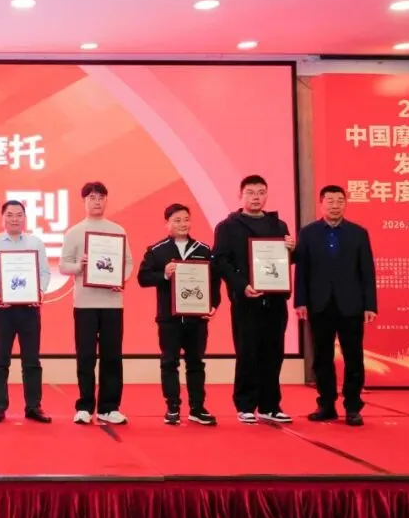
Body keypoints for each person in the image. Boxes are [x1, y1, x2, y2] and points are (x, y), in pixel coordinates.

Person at [212, 174, 296, 425]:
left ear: (267, 195)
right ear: (241, 195)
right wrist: (242, 286)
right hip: (246, 300)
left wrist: (292, 249)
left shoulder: (278, 225)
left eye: (261, 192)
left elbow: (285, 262)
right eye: (250, 192)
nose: (256, 197)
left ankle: (270, 405)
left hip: (275, 299)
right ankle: (245, 405)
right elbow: (220, 261)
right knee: (247, 352)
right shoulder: (228, 226)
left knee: (274, 353)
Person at [294, 185, 376, 427]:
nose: (335, 205)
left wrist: (370, 304)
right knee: (322, 358)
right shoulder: (308, 233)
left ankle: (353, 407)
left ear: (345, 204)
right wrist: (300, 301)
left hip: (351, 305)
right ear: (321, 204)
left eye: (340, 201)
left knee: (353, 358)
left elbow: (367, 271)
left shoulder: (358, 233)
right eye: (330, 201)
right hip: (319, 304)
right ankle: (326, 405)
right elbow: (302, 271)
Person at [137, 203, 220, 426]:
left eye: (186, 219)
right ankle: (172, 407)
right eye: (177, 220)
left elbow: (214, 281)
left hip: (197, 319)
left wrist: (213, 304)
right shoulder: (157, 250)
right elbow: (143, 278)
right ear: (167, 224)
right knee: (169, 362)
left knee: (196, 363)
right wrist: (164, 274)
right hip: (169, 319)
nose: (183, 224)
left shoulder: (203, 249)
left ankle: (197, 408)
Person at [60, 181, 134, 425]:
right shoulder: (74, 232)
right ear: (84, 201)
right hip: (85, 303)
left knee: (112, 355)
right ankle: (84, 406)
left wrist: (121, 279)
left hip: (112, 302)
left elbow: (128, 262)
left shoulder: (117, 230)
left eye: (101, 197)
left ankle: (109, 408)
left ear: (106, 201)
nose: (97, 202)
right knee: (86, 356)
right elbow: (63, 265)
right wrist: (79, 266)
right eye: (92, 197)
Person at [0, 200, 52, 424]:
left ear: (25, 218)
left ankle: (33, 406)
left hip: (30, 309)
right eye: (10, 215)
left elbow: (44, 272)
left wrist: (39, 291)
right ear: (3, 218)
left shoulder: (35, 242)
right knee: (0, 359)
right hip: (3, 308)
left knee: (32, 360)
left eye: (19, 214)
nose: (14, 219)